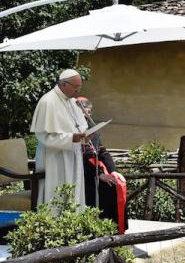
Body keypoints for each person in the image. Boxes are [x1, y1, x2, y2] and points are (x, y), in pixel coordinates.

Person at [29, 69, 89, 208]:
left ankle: (74, 223)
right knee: (56, 194)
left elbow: (80, 125)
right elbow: (43, 136)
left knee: (74, 193)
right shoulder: (47, 101)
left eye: (79, 86)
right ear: (63, 84)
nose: (78, 90)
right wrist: (70, 138)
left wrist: (85, 134)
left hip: (73, 155)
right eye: (76, 87)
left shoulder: (72, 102)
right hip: (54, 158)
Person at [76, 97, 127, 233]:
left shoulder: (92, 128)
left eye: (88, 113)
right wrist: (99, 174)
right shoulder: (72, 128)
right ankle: (97, 230)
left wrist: (113, 171)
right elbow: (80, 157)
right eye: (83, 114)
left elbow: (102, 151)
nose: (86, 117)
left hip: (94, 168)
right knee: (105, 188)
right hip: (80, 171)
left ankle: (115, 229)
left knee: (115, 184)